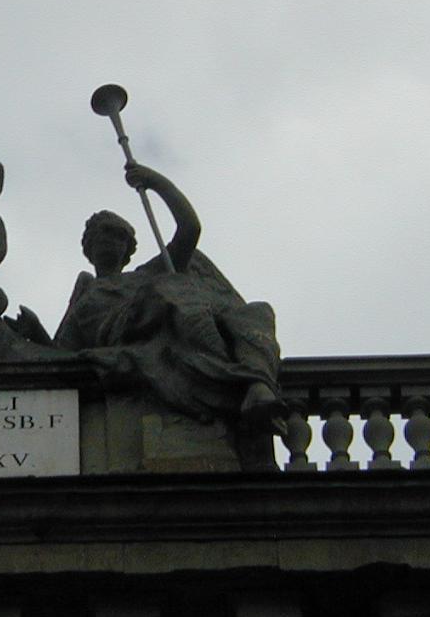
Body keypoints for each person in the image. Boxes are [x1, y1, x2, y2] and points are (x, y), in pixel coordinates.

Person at [54, 164, 286, 435]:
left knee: (257, 311)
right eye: (105, 232)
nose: (112, 240)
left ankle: (258, 384)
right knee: (168, 287)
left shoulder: (147, 273)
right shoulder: (88, 291)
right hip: (123, 329)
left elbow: (190, 229)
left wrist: (155, 182)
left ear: (127, 250)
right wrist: (32, 330)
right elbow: (60, 352)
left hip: (162, 319)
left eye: (120, 236)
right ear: (89, 245)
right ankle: (226, 368)